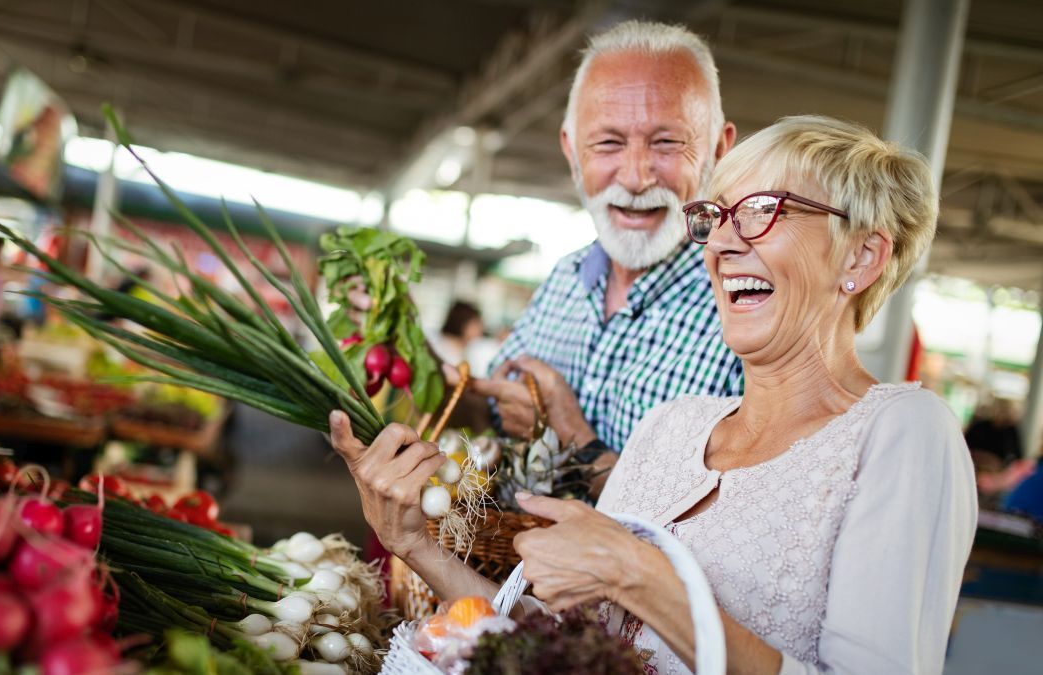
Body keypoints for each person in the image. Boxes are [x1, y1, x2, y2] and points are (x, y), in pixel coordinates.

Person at [329, 115, 978, 674]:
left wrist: (639, 574)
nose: (723, 242)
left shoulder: (902, 432)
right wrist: (415, 543)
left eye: (762, 211)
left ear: (861, 259)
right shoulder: (671, 426)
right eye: (716, 216)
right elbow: (562, 648)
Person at [343, 21, 743, 479]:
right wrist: (410, 346)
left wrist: (568, 434)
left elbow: (728, 520)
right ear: (572, 152)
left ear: (719, 148)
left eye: (667, 142)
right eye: (608, 143)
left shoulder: (745, 306)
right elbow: (482, 419)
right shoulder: (565, 278)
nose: (635, 177)